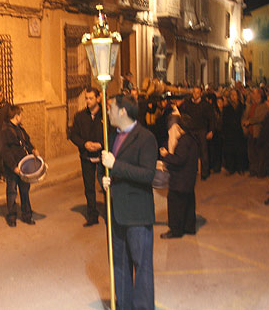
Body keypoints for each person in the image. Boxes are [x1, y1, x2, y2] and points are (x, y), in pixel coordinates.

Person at [101, 94, 157, 310]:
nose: (108, 112)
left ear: (122, 111)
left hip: (137, 215)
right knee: (120, 266)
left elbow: (147, 174)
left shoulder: (146, 138)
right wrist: (104, 179)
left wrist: (116, 166)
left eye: (110, 107)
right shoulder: (110, 136)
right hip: (115, 212)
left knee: (141, 266)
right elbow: (103, 169)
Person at [159, 114, 199, 238]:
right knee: (188, 203)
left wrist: (166, 155)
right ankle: (189, 227)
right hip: (189, 178)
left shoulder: (183, 141)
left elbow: (179, 159)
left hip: (180, 179)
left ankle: (175, 230)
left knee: (175, 204)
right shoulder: (193, 138)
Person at [0, 105, 39, 227]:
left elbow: (26, 142)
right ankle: (12, 217)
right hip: (13, 168)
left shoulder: (20, 129)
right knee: (12, 192)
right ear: (16, 116)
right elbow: (5, 151)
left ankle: (27, 215)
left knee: (25, 191)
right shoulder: (5, 131)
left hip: (24, 166)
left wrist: (33, 150)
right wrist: (13, 166)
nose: (22, 117)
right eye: (21, 115)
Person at [69, 87, 104, 227]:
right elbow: (73, 135)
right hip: (86, 157)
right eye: (87, 98)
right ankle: (92, 215)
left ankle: (110, 213)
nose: (88, 101)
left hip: (103, 157)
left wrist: (101, 145)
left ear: (98, 98)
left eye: (91, 98)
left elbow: (113, 133)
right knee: (89, 187)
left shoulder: (106, 115)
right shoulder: (80, 116)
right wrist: (84, 144)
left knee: (105, 185)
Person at [179, 87, 215, 180]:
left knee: (203, 152)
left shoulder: (205, 105)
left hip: (201, 130)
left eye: (197, 93)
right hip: (190, 130)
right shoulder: (187, 104)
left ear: (201, 94)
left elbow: (211, 118)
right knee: (190, 152)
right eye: (194, 92)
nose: (195, 94)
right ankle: (191, 172)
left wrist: (211, 130)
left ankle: (204, 173)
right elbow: (183, 115)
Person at [221, 89, 248, 175]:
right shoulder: (226, 108)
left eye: (234, 95)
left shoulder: (242, 107)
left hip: (239, 131)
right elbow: (224, 121)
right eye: (231, 95)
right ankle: (231, 168)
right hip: (230, 131)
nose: (233, 97)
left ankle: (241, 168)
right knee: (230, 151)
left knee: (240, 150)